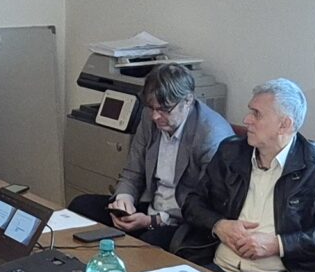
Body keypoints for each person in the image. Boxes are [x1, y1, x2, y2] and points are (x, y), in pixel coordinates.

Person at [174, 77, 315, 272]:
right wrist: (219, 225)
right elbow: (192, 202)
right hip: (221, 264)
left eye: (257, 114)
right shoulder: (231, 152)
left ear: (285, 125)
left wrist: (278, 244)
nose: (246, 120)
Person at [66, 62, 232, 250]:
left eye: (164, 109)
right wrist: (124, 199)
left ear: (188, 101)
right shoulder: (149, 117)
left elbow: (203, 205)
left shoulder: (210, 136)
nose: (155, 116)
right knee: (80, 206)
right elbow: (132, 172)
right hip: (149, 206)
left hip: (183, 220)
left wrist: (153, 221)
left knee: (146, 244)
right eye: (152, 108)